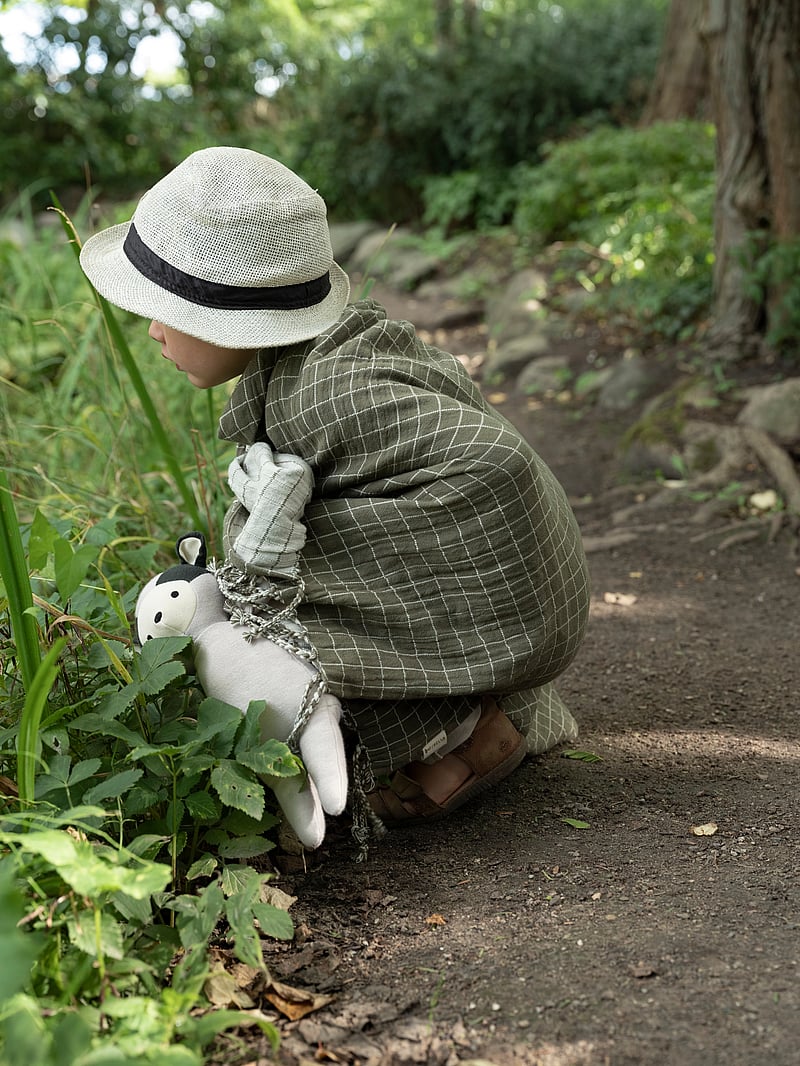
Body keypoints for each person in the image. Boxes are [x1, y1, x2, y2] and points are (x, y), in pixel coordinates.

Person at [80, 146, 590, 845]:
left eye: (169, 310)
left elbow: (491, 462)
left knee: (250, 635)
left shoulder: (320, 398)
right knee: (251, 617)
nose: (153, 329)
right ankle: (476, 724)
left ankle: (452, 733)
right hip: (533, 578)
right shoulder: (346, 350)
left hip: (517, 589)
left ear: (227, 316)